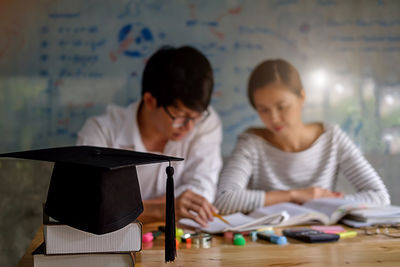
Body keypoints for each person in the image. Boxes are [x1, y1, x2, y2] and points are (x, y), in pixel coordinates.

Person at [215, 59, 390, 215]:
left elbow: (380, 196)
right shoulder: (251, 143)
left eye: (282, 106)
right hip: (269, 243)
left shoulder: (332, 138)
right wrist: (295, 195)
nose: (274, 118)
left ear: (302, 97)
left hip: (323, 241)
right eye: (264, 110)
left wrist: (331, 199)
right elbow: (224, 200)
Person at [77, 46, 223, 226]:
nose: (189, 127)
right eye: (179, 116)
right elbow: (88, 207)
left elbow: (200, 194)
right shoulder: (100, 133)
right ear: (150, 101)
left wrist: (123, 207)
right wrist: (163, 209)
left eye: (195, 117)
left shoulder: (205, 122)